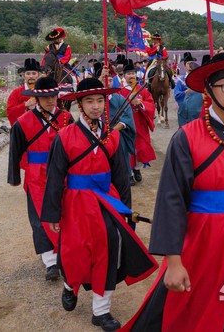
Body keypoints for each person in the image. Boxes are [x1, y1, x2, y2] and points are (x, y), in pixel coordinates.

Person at [122, 52, 224, 331]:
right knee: (199, 315)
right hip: (204, 240)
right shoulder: (187, 138)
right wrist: (173, 261)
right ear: (209, 89)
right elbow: (172, 200)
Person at [41, 77, 158, 331]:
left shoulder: (112, 137)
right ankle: (69, 285)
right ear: (80, 105)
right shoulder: (65, 137)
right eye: (89, 101)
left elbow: (122, 177)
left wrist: (126, 212)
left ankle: (101, 311)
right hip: (75, 202)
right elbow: (54, 178)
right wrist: (53, 215)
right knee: (75, 251)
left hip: (107, 200)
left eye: (100, 101)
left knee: (109, 248)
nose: (96, 106)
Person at [7, 76, 72, 281]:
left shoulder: (66, 118)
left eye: (54, 96)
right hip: (36, 175)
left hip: (62, 173)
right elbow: (15, 152)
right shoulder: (22, 122)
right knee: (40, 217)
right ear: (36, 99)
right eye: (46, 98)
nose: (51, 101)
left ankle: (65, 251)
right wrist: (15, 177)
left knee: (64, 213)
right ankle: (50, 261)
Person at [95, 61, 137, 187]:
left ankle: (126, 175)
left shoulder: (120, 99)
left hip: (117, 136)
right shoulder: (95, 102)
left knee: (121, 157)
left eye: (110, 80)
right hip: (98, 136)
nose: (107, 83)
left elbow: (127, 117)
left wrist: (113, 130)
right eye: (104, 80)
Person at [119, 60, 156, 184]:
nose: (131, 76)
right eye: (128, 74)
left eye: (133, 73)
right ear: (124, 76)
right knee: (127, 148)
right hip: (126, 124)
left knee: (141, 147)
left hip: (140, 123)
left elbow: (150, 103)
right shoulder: (120, 90)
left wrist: (141, 103)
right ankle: (128, 173)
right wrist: (128, 101)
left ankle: (137, 169)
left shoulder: (142, 90)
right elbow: (115, 107)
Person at [6, 58, 42, 125]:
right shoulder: (16, 92)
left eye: (34, 73)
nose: (31, 76)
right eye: (28, 74)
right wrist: (24, 105)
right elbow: (10, 112)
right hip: (22, 127)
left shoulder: (43, 91)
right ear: (24, 76)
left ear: (39, 75)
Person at [176, 60, 202, 126]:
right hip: (185, 104)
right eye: (189, 70)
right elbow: (177, 95)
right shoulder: (181, 80)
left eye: (191, 70)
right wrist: (186, 91)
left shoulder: (202, 84)